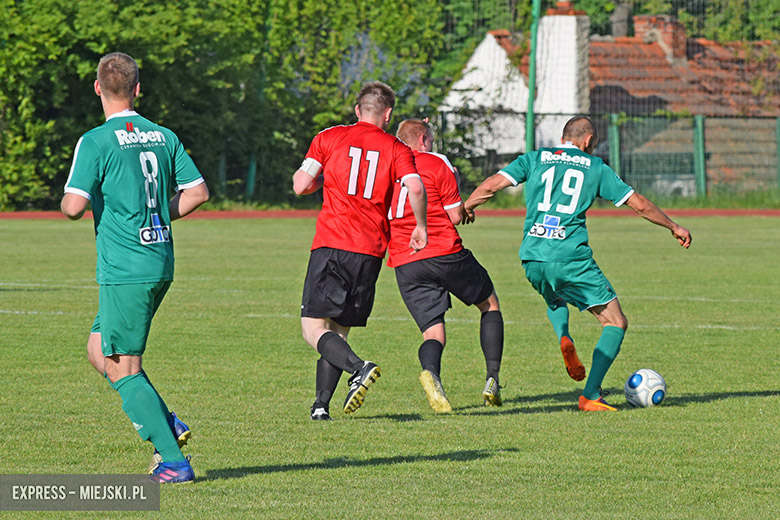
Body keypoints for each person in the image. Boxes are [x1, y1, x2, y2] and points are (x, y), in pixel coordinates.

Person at [463, 116, 691, 411]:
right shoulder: (595, 167)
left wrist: (467, 206)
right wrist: (673, 225)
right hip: (570, 257)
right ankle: (590, 395)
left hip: (532, 256)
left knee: (554, 297)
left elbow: (493, 184)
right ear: (588, 141)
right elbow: (639, 204)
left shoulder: (535, 158)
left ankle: (564, 336)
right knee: (615, 322)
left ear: (563, 138)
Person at [61, 52, 209, 481]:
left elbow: (73, 207)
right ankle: (166, 423)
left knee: (122, 366)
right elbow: (197, 193)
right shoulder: (164, 136)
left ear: (97, 87)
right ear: (138, 89)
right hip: (158, 259)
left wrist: (73, 197)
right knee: (98, 349)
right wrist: (156, 215)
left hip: (126, 269)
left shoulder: (95, 141)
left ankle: (174, 462)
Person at [293, 81, 428, 421]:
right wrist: (421, 226)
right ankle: (321, 406)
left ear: (357, 109)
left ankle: (358, 367)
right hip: (369, 252)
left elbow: (301, 185)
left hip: (332, 244)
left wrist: (325, 179)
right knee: (339, 330)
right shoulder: (397, 148)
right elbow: (415, 187)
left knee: (313, 329)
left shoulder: (328, 137)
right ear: (388, 114)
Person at [386, 118, 504, 412]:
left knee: (433, 331)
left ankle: (432, 374)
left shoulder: (388, 165)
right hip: (442, 250)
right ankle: (492, 378)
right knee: (489, 304)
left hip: (405, 259)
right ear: (423, 139)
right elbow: (454, 215)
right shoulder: (436, 161)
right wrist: (464, 205)